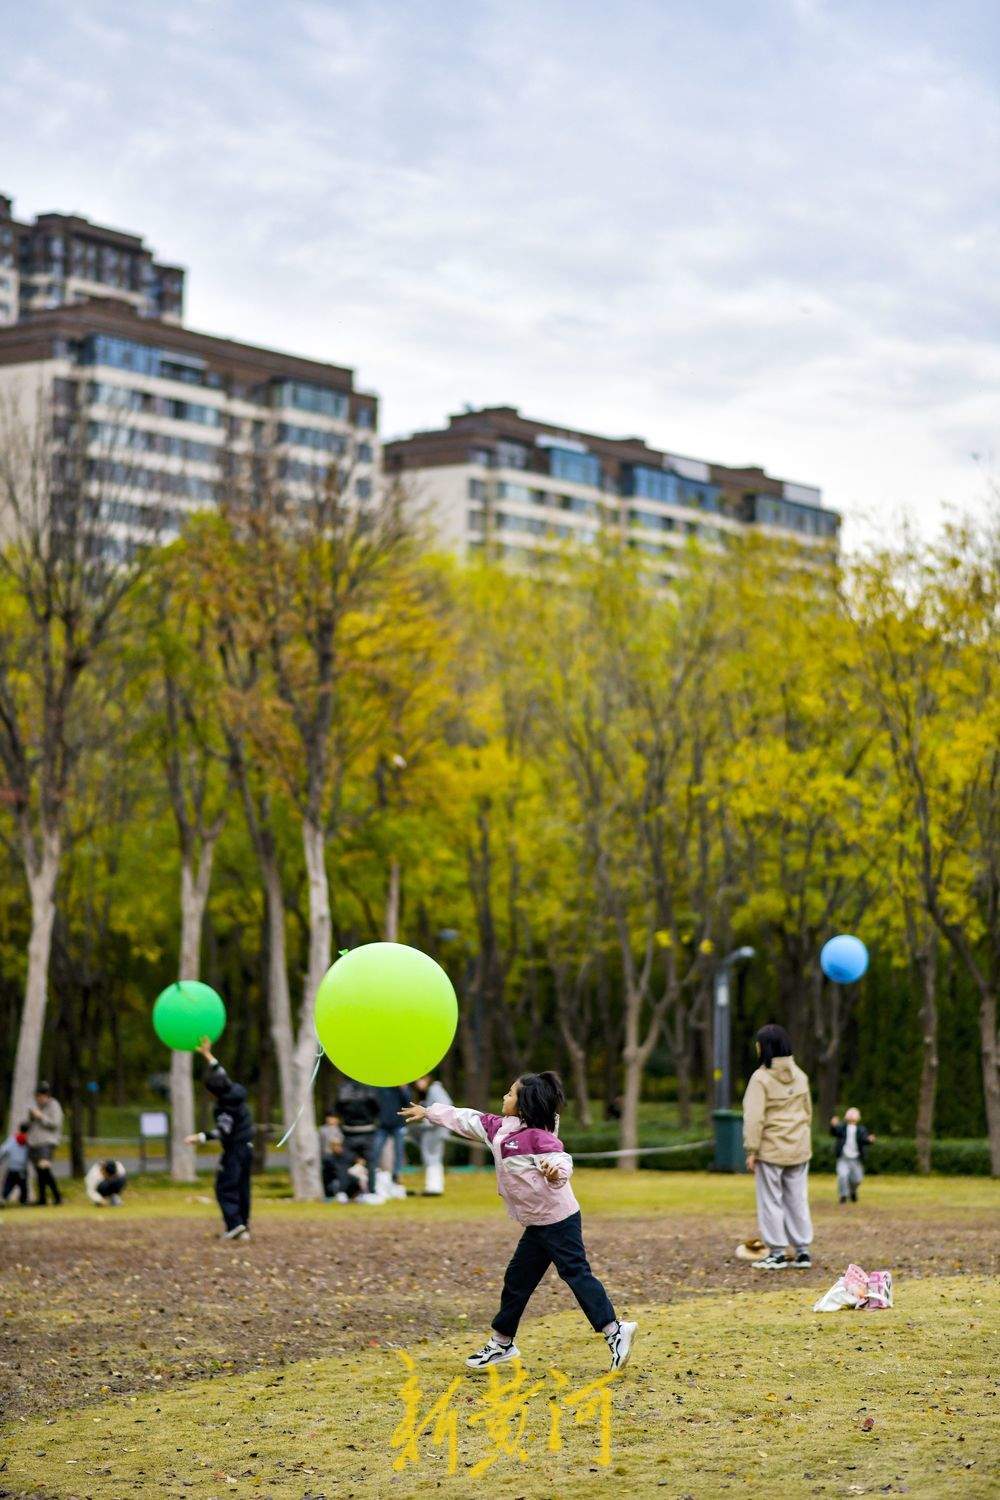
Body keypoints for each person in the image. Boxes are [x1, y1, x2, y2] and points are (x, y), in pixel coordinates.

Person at [401, 1071, 638, 1372]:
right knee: (517, 1279)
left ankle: (616, 1332)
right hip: (537, 1223)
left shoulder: (537, 1137)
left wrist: (556, 1173)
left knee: (576, 1274)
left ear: (524, 1105)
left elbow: (561, 1160)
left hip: (558, 1220)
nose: (505, 1097)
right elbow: (467, 1118)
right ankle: (502, 1343)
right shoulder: (498, 1130)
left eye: (511, 1094)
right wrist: (429, 1112)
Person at [742, 1023, 813, 1271]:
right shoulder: (801, 1076)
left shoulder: (760, 1078)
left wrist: (752, 1150)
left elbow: (754, 1118)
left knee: (771, 1200)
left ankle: (777, 1252)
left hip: (771, 1149)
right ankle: (803, 1251)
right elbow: (808, 1112)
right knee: (797, 1199)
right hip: (799, 1148)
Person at [184, 1037, 254, 1241]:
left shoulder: (226, 1108)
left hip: (235, 1150)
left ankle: (234, 1224)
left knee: (225, 1186)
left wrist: (198, 1137)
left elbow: (222, 1131)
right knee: (242, 1187)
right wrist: (207, 1055)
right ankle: (243, 1226)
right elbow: (220, 1072)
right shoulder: (235, 1091)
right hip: (247, 1148)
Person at [335, 1077, 383, 1202]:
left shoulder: (343, 1089)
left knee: (344, 1164)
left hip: (349, 1131)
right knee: (371, 1163)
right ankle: (371, 1193)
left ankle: (342, 1193)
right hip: (367, 1131)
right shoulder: (370, 1088)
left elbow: (338, 1109)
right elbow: (377, 1108)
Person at [411, 1074, 452, 1196]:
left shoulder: (435, 1089)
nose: (419, 1083)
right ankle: (432, 1186)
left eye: (421, 1079)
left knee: (432, 1158)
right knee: (430, 1158)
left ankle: (434, 1187)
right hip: (431, 1130)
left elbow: (446, 1106)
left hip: (435, 1130)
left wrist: (429, 1119)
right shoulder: (430, 1091)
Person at [26, 1082, 64, 1206]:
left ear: (46, 1095)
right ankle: (42, 1199)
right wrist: (32, 1117)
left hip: (47, 1142)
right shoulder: (36, 1106)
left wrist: (41, 1116)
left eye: (41, 1096)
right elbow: (29, 1125)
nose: (39, 1099)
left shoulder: (54, 1105)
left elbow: (55, 1123)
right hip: (34, 1143)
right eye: (37, 1096)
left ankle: (57, 1196)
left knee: (44, 1168)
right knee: (39, 1172)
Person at [830, 1108, 876, 1203]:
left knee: (857, 1179)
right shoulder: (842, 1128)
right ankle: (843, 1195)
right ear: (846, 1116)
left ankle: (852, 1191)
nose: (851, 1115)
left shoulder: (861, 1129)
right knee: (842, 1176)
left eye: (854, 1113)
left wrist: (870, 1140)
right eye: (850, 1113)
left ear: (858, 1117)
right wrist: (833, 1125)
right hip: (843, 1158)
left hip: (856, 1159)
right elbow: (834, 1132)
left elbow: (865, 1139)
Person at [374, 1086, 411, 1200]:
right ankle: (375, 1174)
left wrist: (403, 1089)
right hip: (382, 1125)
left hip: (398, 1124)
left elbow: (408, 1102)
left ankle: (397, 1176)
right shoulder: (380, 1087)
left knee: (399, 1152)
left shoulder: (400, 1087)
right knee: (375, 1150)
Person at [0, 1125, 30, 1205]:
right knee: (23, 1186)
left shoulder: (12, 1139)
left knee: (8, 1185)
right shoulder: (29, 1139)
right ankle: (23, 1201)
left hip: (12, 1167)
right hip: (22, 1168)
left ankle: (3, 1198)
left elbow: (3, 1150)